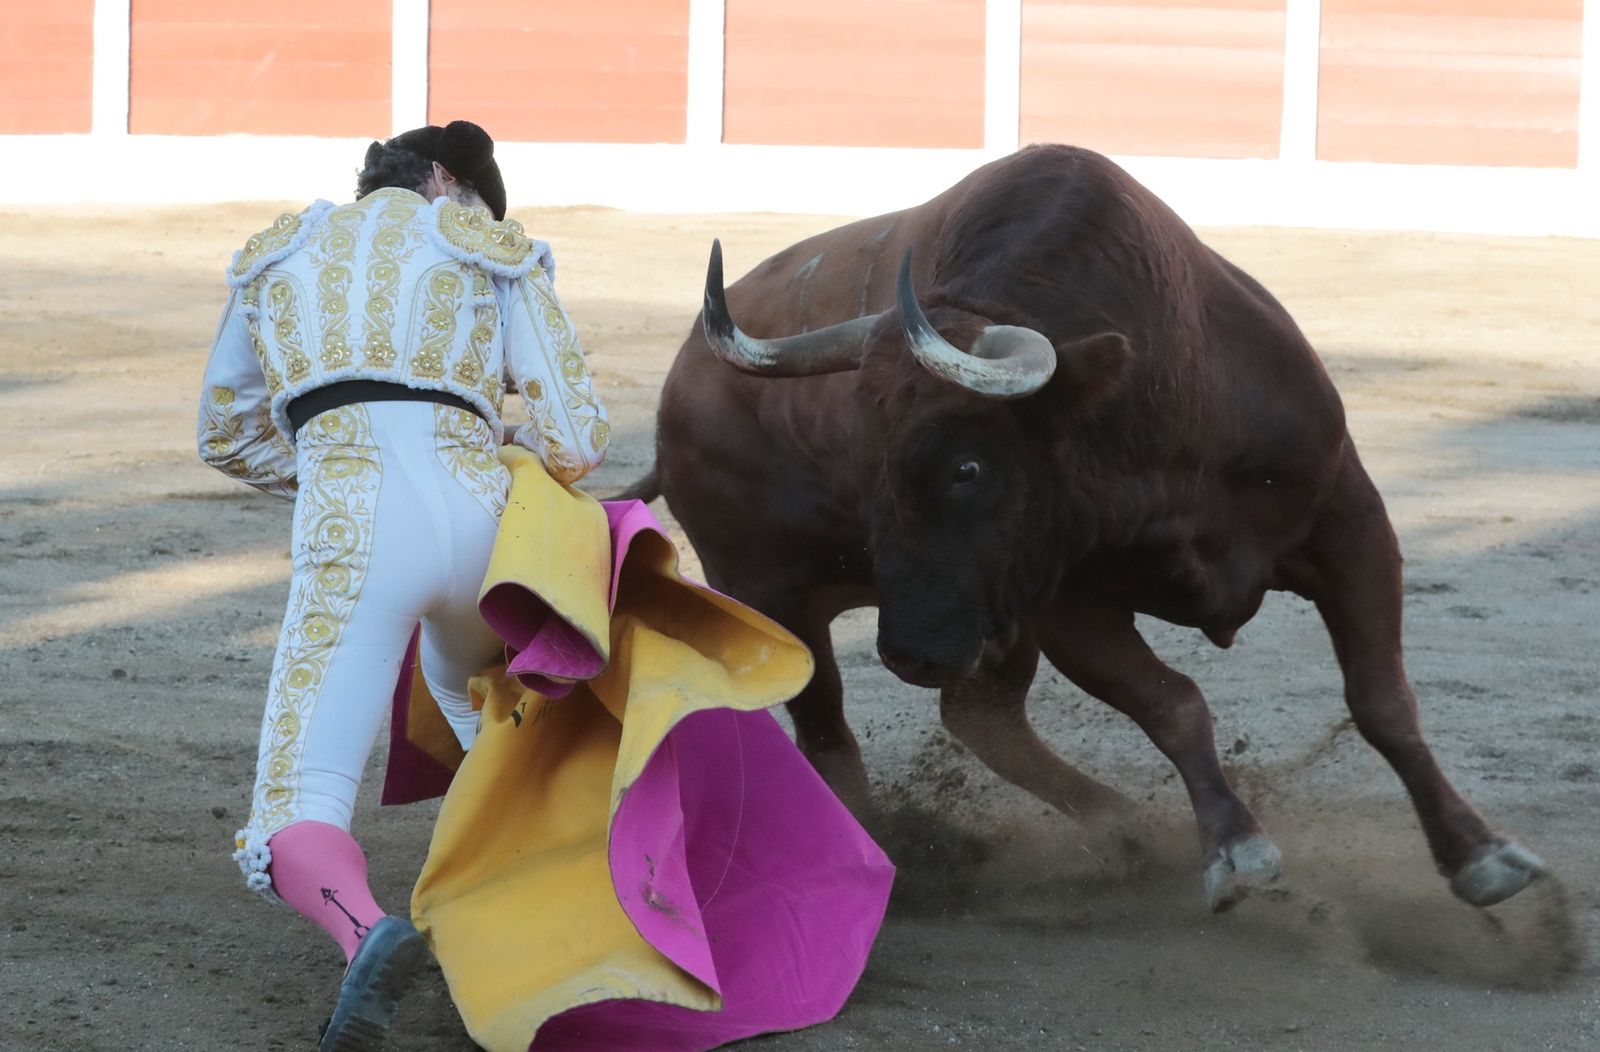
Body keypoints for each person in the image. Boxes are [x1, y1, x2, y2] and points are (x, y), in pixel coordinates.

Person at [196, 119, 609, 1051]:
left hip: (352, 527)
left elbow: (223, 434)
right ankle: (553, 918)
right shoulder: (495, 249)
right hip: (482, 527)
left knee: (292, 810)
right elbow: (577, 440)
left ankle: (363, 935)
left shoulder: (274, 256)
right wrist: (481, 457)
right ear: (444, 178)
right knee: (485, 720)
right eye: (475, 194)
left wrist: (338, 460)